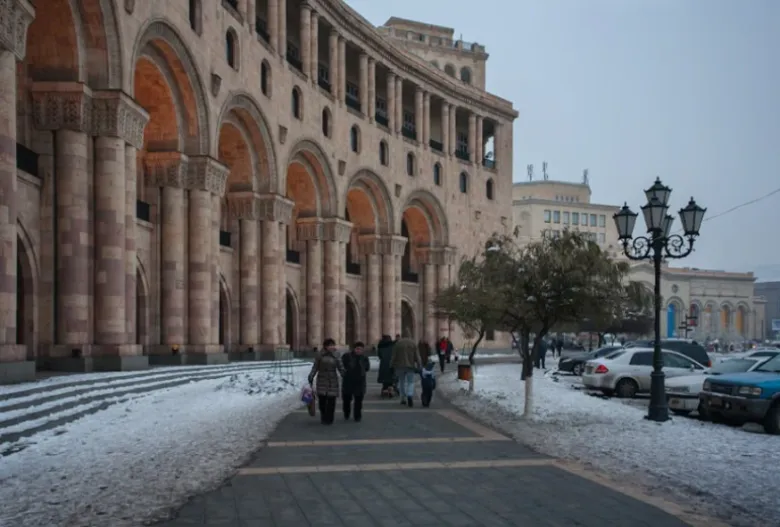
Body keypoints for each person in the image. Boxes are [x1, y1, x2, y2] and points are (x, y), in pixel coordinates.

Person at [307, 338, 345, 425]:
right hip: (322, 379)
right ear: (325, 346)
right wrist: (311, 375)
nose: (332, 347)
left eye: (333, 345)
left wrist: (344, 375)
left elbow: (340, 366)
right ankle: (323, 416)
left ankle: (330, 418)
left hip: (332, 380)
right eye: (330, 345)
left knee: (332, 400)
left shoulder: (336, 355)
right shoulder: (320, 355)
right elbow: (315, 367)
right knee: (322, 401)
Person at [341, 341, 370, 422]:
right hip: (348, 381)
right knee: (347, 399)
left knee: (358, 400)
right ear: (354, 349)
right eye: (357, 349)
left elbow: (367, 367)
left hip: (360, 381)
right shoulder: (347, 356)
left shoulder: (364, 358)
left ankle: (357, 416)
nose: (359, 350)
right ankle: (346, 413)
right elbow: (342, 365)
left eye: (360, 349)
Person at [391, 335, 422, 407]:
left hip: (399, 366)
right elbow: (417, 356)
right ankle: (410, 394)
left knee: (401, 382)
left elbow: (394, 356)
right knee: (410, 382)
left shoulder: (398, 344)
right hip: (410, 366)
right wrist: (419, 364)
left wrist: (391, 365)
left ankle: (402, 398)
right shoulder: (413, 343)